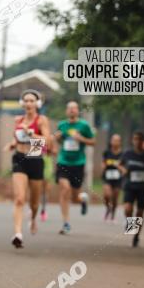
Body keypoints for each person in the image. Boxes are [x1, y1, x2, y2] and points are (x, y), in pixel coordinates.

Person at [5, 89, 52, 248]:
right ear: (22, 103)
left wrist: (31, 133)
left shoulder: (41, 120)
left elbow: (47, 142)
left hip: (36, 159)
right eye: (26, 100)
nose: (29, 103)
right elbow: (16, 137)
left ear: (37, 104)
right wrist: (12, 143)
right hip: (20, 159)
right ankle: (18, 234)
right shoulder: (18, 120)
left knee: (34, 203)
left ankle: (33, 218)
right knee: (19, 198)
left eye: (32, 101)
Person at [53, 101, 96, 235]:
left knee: (75, 196)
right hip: (63, 161)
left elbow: (93, 142)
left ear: (78, 111)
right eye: (69, 108)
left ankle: (82, 200)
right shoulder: (62, 125)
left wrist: (81, 138)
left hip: (78, 163)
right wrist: (58, 138)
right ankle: (66, 223)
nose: (72, 110)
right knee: (64, 189)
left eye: (74, 108)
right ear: (66, 111)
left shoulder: (84, 125)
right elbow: (59, 141)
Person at [118, 131, 144, 247]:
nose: (137, 142)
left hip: (143, 187)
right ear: (132, 141)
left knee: (140, 212)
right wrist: (123, 170)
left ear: (143, 141)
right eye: (135, 139)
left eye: (139, 139)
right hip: (130, 185)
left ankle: (136, 236)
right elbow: (119, 164)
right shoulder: (128, 153)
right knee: (128, 208)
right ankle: (130, 223)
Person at [101, 134, 123, 222]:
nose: (115, 142)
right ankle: (107, 208)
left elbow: (125, 167)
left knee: (115, 197)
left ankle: (113, 215)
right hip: (107, 176)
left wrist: (119, 166)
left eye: (117, 140)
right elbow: (103, 162)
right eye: (113, 140)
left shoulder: (123, 154)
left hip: (118, 178)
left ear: (120, 142)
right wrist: (103, 166)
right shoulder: (107, 152)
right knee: (107, 195)